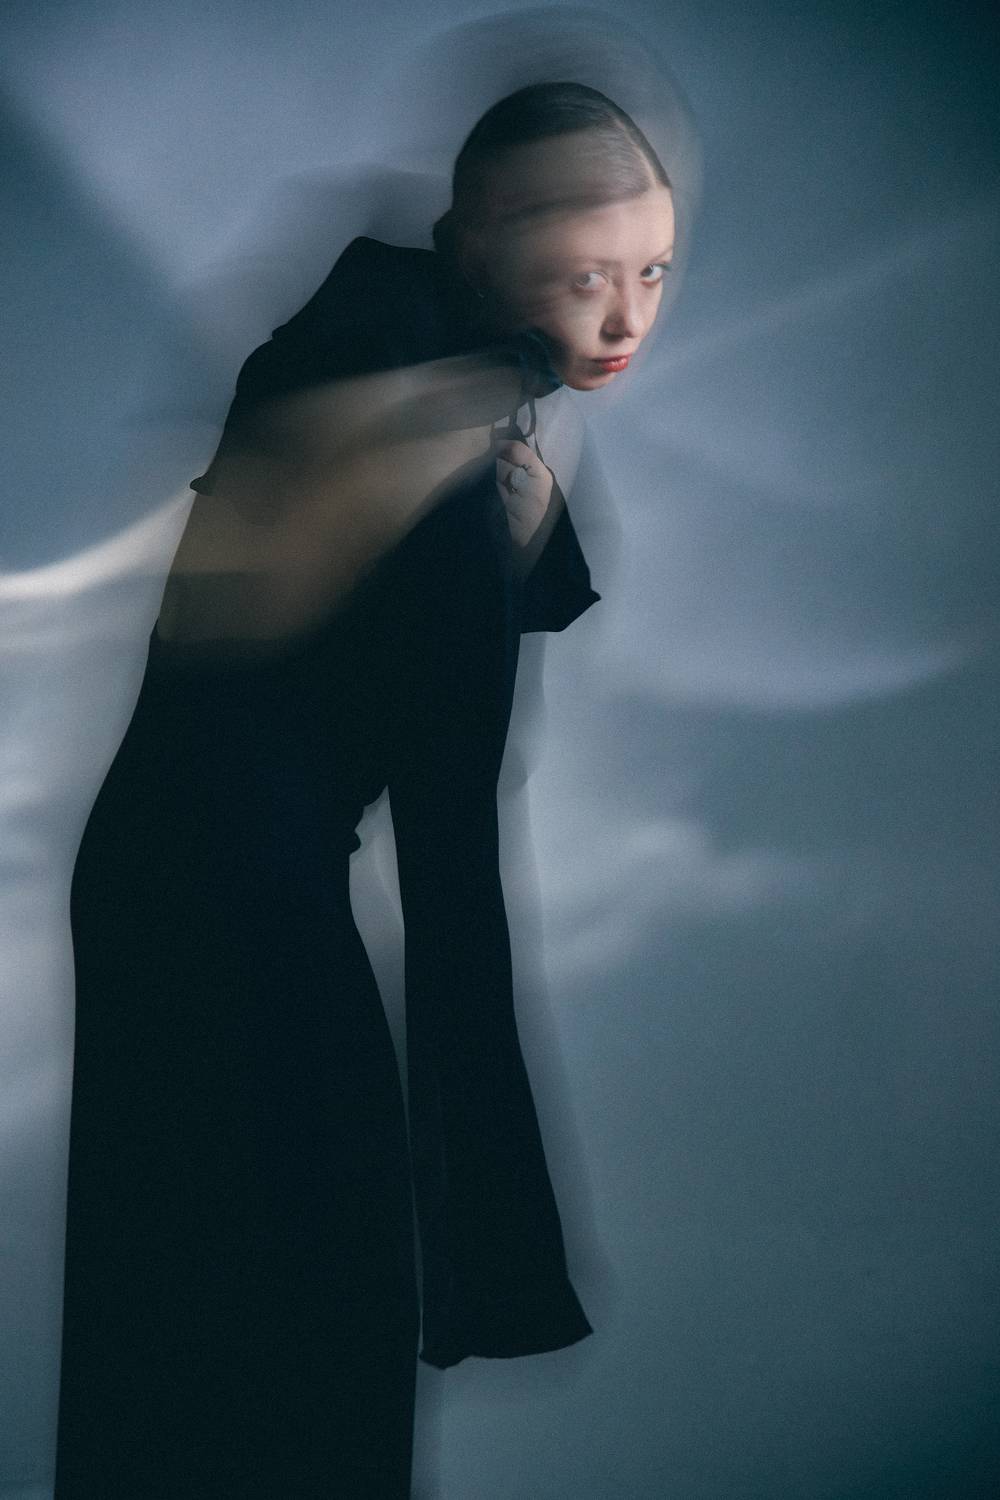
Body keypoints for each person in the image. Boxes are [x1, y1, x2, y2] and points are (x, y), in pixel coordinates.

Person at [53, 81, 675, 1499]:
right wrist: (484, 413)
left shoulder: (464, 387)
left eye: (651, 272)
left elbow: (444, 650)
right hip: (203, 880)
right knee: (269, 1285)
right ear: (482, 237)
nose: (625, 320)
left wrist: (524, 493)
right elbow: (309, 505)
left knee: (281, 1284)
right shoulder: (377, 343)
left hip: (232, 870)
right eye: (587, 276)